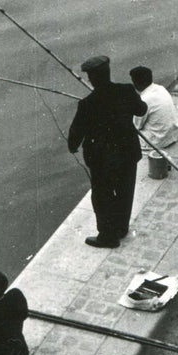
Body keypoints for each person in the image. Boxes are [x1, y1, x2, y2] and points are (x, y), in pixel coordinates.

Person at [68, 55, 147, 248]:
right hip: (128, 153)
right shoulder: (127, 90)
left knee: (102, 196)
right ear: (108, 72)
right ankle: (121, 228)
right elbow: (142, 110)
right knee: (125, 191)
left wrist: (73, 146)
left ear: (92, 79)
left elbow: (74, 137)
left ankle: (107, 236)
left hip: (102, 159)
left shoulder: (87, 104)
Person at [129, 66, 178, 150]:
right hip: (173, 134)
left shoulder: (144, 99)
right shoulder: (160, 88)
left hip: (159, 141)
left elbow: (137, 126)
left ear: (136, 83)